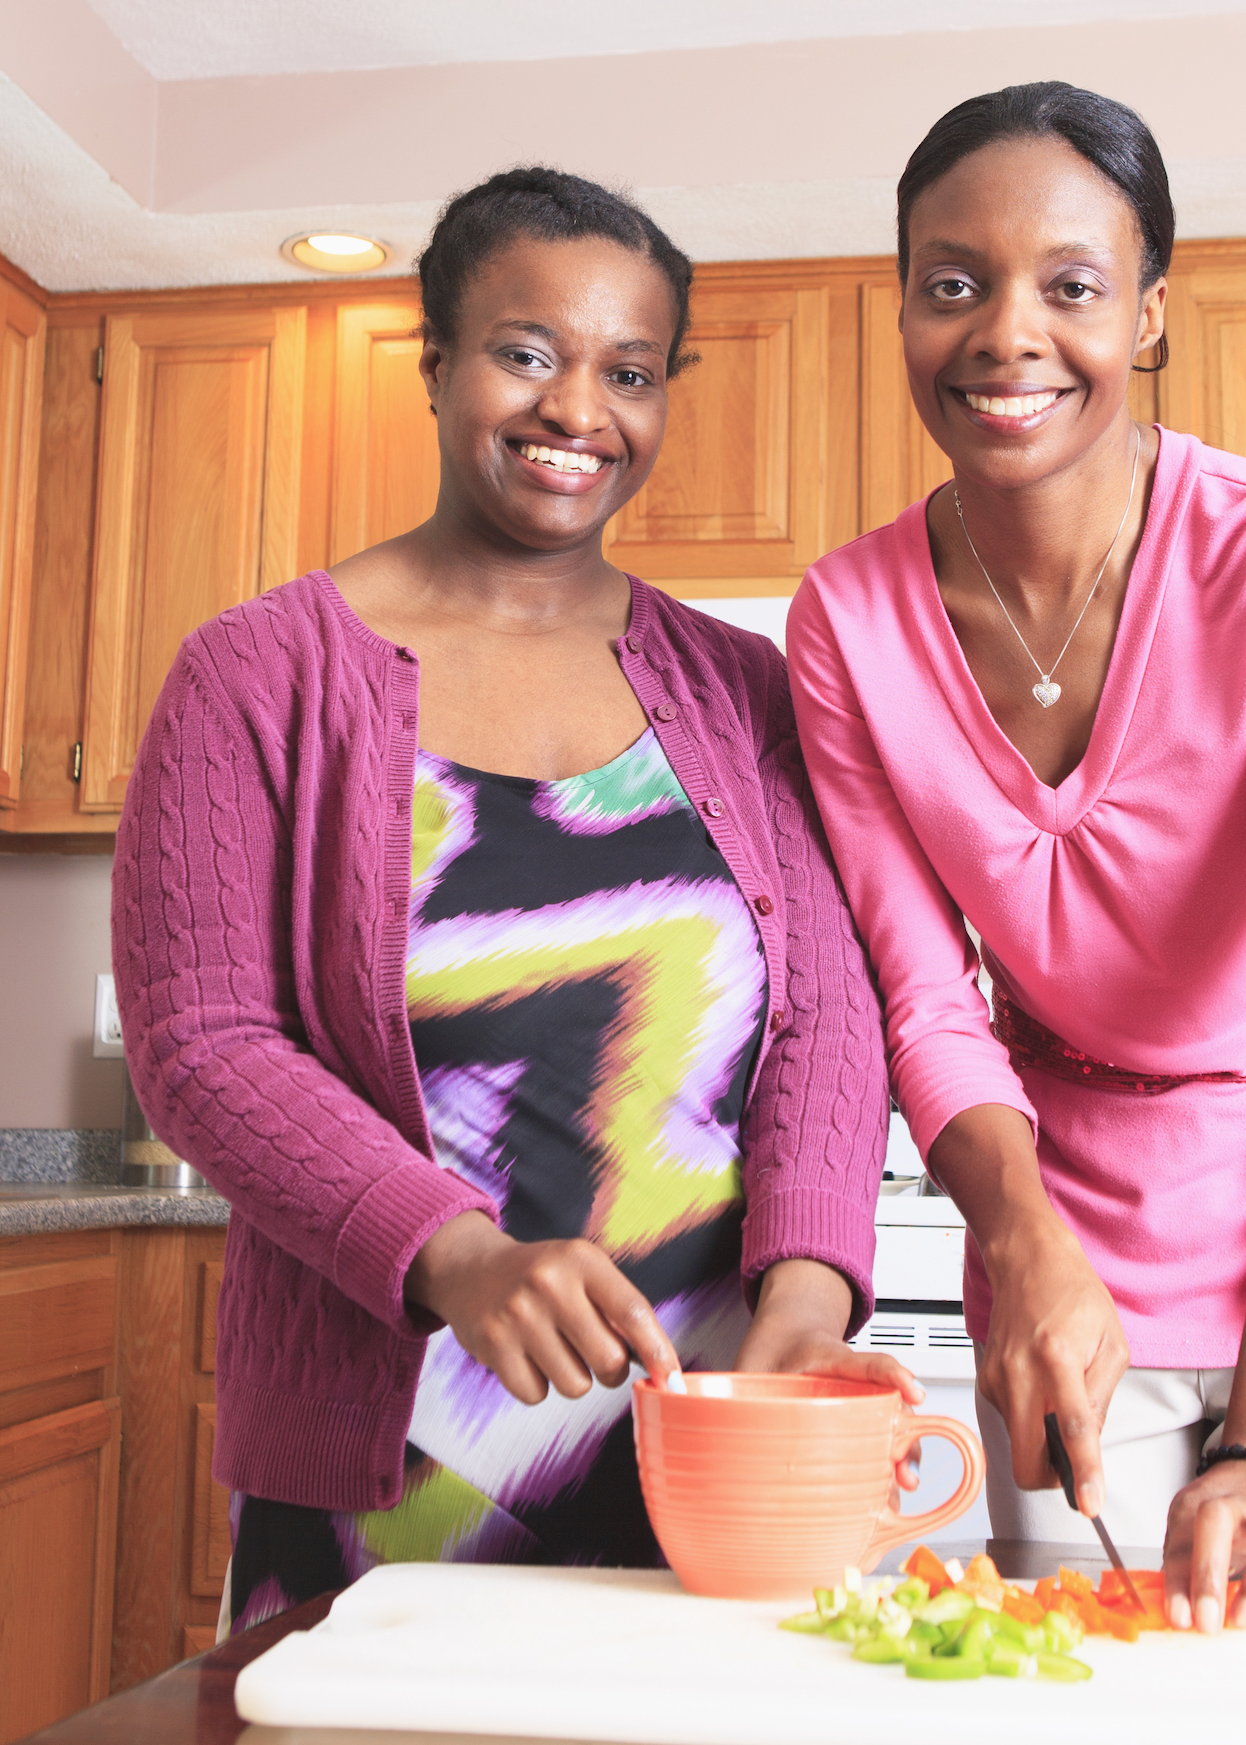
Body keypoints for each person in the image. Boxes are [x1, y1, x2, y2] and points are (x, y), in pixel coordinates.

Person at [112, 168, 909, 1634]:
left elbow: (828, 1021)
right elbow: (203, 1044)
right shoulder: (259, 676)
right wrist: (454, 1254)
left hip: (710, 1446)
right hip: (390, 1453)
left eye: (630, 372)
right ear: (434, 361)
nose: (576, 411)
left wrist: (807, 1292)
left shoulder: (743, 695)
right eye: (528, 352)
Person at [786, 84, 1246, 1633]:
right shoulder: (848, 617)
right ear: (901, 307)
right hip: (1066, 1250)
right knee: (1085, 1685)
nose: (1006, 334)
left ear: (1151, 311)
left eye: (1072, 286)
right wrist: (1024, 1244)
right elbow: (924, 993)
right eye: (951, 282)